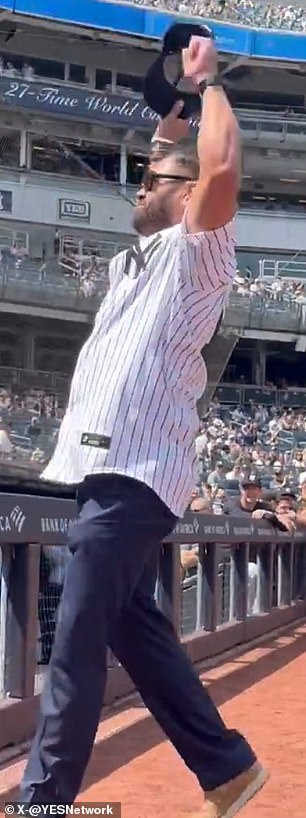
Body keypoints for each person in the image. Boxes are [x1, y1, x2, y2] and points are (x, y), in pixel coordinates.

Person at [19, 35, 267, 818]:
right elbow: (172, 150)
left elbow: (219, 168)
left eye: (153, 178)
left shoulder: (199, 254)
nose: (140, 182)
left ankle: (44, 801)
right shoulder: (144, 254)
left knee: (76, 645)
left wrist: (212, 85)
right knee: (137, 636)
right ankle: (226, 767)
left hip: (136, 473)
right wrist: (176, 105)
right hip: (104, 468)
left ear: (186, 195)